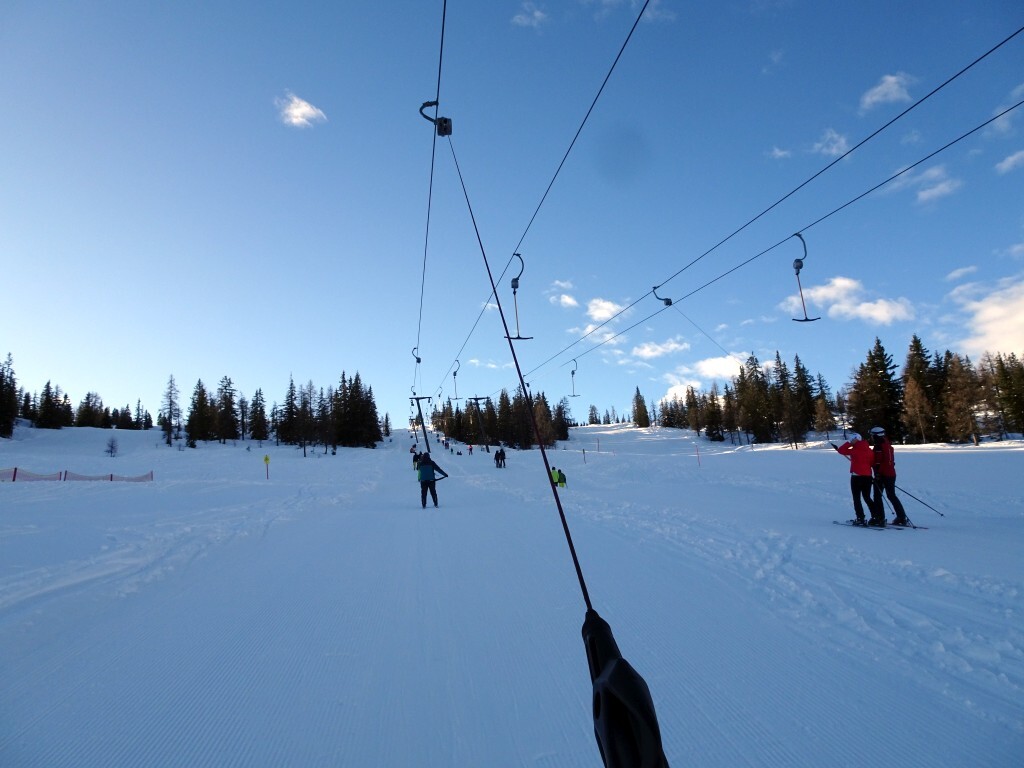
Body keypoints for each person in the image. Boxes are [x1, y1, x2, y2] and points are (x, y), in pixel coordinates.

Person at [832, 433, 882, 526]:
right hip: (867, 477)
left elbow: (841, 451)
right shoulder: (869, 450)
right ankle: (876, 516)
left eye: (852, 440)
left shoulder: (854, 450)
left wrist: (850, 444)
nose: (851, 441)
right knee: (867, 497)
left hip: (856, 477)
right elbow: (872, 463)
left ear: (855, 440)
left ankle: (860, 518)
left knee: (857, 498)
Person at [869, 426, 909, 526]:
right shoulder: (887, 444)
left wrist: (878, 473)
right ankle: (901, 517)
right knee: (891, 496)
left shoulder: (879, 446)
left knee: (877, 496)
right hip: (891, 474)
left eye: (872, 435)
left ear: (876, 436)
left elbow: (882, 462)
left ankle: (880, 518)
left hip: (882, 475)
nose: (871, 438)